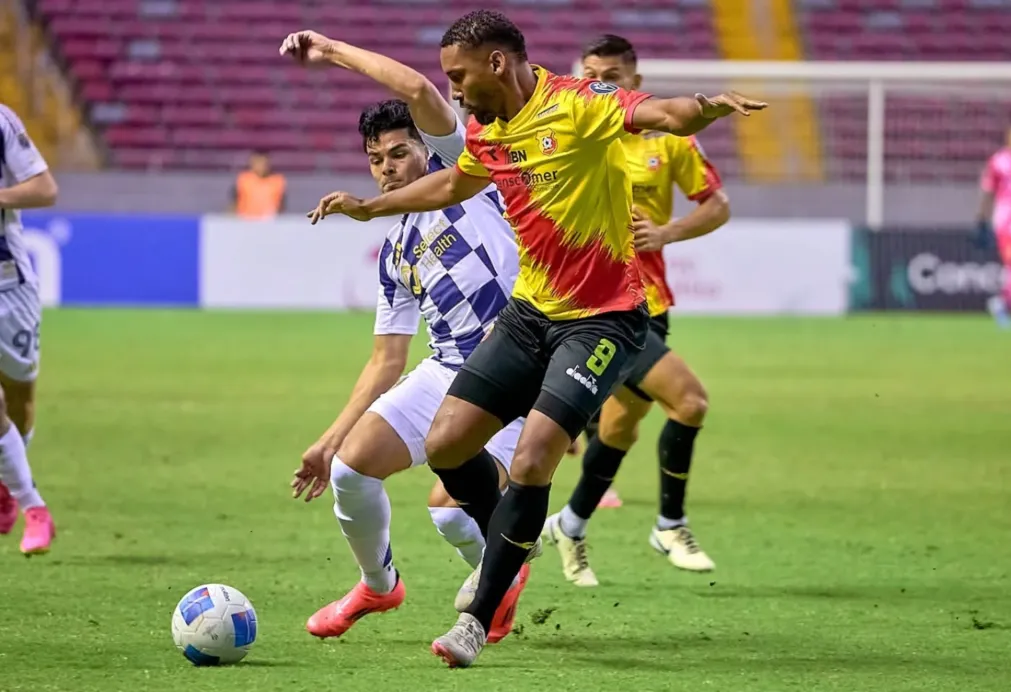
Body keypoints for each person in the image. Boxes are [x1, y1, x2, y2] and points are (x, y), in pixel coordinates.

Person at [306, 10, 765, 668]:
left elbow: (658, 114)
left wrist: (706, 108)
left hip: (605, 317)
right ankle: (508, 545)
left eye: (458, 77)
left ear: (497, 63)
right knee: (444, 444)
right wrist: (369, 207)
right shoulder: (490, 136)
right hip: (531, 313)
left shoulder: (576, 103)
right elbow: (454, 182)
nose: (455, 92)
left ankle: (477, 615)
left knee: (532, 462)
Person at [281, 31, 535, 643]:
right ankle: (378, 583)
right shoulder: (394, 251)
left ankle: (499, 574)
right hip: (448, 368)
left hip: (519, 366)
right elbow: (386, 359)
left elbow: (420, 87)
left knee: (447, 512)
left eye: (398, 153)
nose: (386, 169)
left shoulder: (465, 172)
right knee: (349, 470)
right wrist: (329, 437)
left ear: (428, 147)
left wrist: (333, 52)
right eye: (375, 160)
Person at [545, 35, 731, 587]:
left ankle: (570, 526)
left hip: (652, 304)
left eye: (614, 74)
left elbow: (717, 205)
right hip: (600, 305)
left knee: (621, 430)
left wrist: (669, 231)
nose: (603, 82)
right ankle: (670, 524)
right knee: (690, 401)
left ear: (636, 82)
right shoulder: (569, 134)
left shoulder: (667, 141)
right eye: (592, 73)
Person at [0, 104, 58, 555]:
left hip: (8, 287)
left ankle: (9, 482)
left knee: (18, 404)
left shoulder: (2, 121)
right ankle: (34, 508)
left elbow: (44, 188)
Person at [979, 114, 1011, 328]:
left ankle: (1001, 304)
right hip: (1006, 225)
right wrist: (981, 220)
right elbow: (988, 191)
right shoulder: (999, 161)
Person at [230, 150, 286, 219]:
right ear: (251, 163)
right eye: (257, 162)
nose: (260, 166)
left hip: (269, 221)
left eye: (263, 163)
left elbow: (281, 205)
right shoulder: (243, 179)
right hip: (245, 220)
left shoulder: (277, 181)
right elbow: (234, 202)